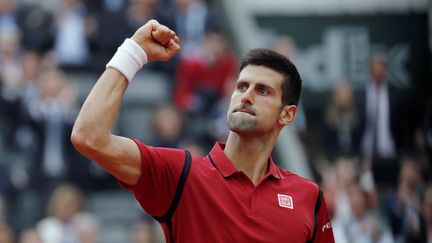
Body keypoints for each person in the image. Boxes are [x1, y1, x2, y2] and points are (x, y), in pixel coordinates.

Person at [71, 19, 335, 242]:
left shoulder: (308, 197)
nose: (245, 96)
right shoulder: (181, 174)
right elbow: (88, 136)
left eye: (262, 91)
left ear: (287, 114)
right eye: (241, 87)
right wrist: (134, 51)